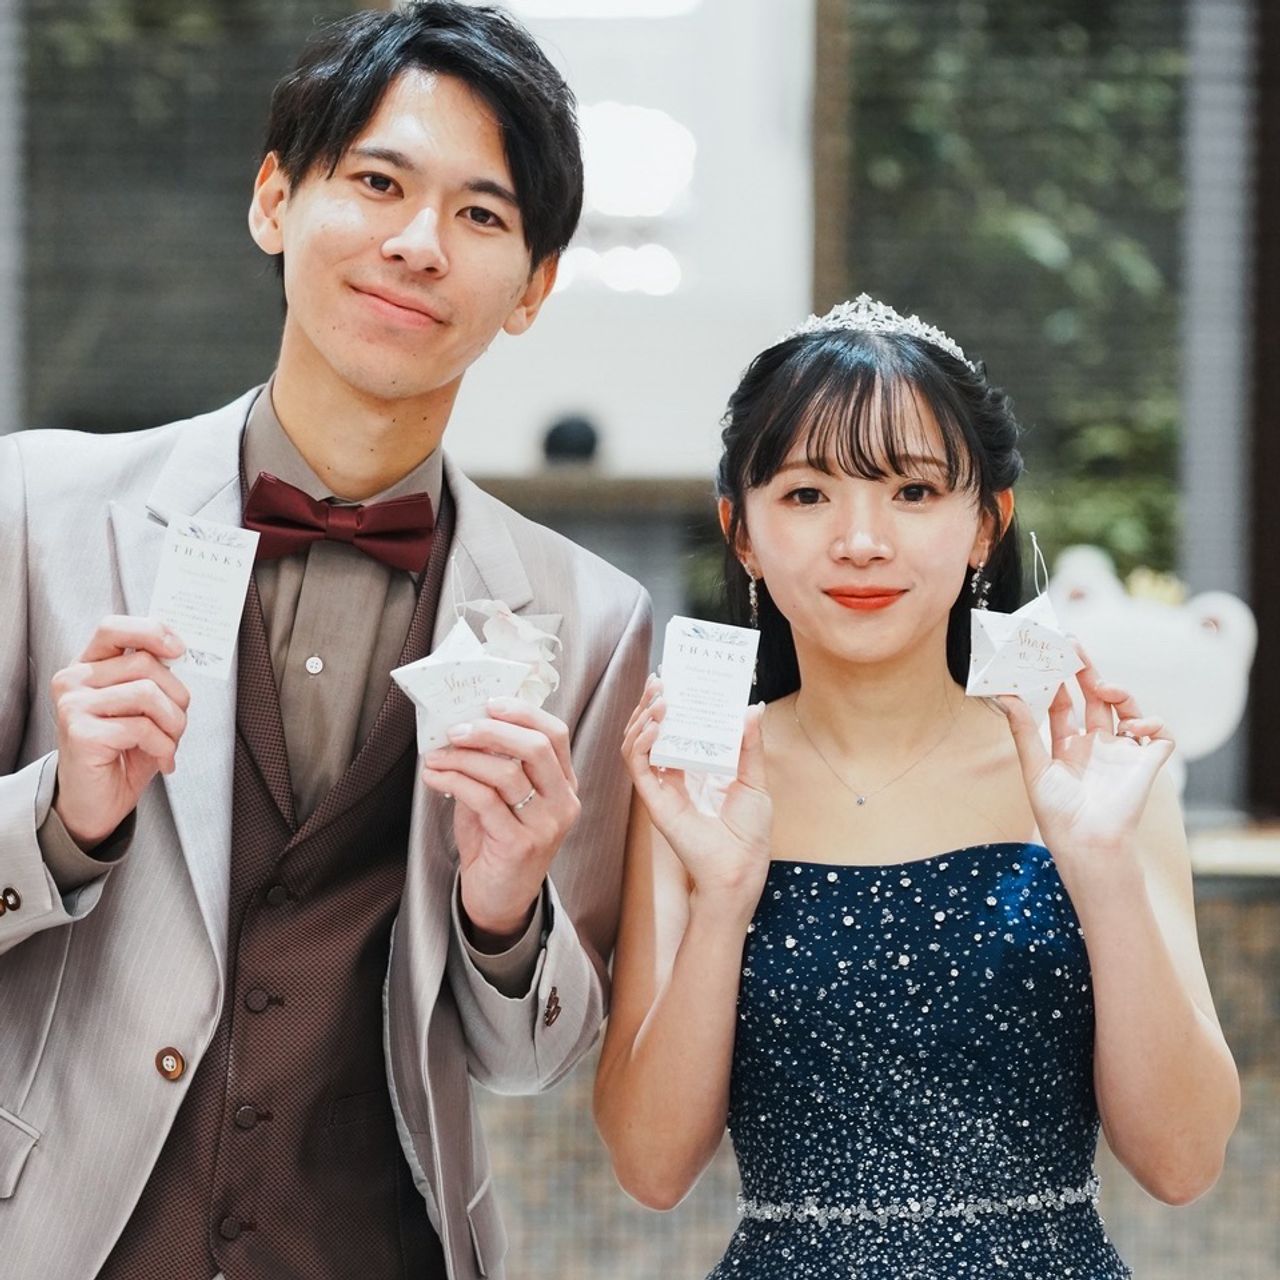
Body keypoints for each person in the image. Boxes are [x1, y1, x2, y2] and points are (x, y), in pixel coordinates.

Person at [0, 5, 650, 1279]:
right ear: (273, 201)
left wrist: (505, 909)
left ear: (532, 287)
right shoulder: (36, 510)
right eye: (377, 182)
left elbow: (537, 1057)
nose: (417, 243)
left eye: (480, 213)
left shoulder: (590, 618)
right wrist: (60, 820)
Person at [595, 296, 1240, 1278]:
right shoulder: (698, 782)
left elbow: (1183, 1163)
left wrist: (1100, 869)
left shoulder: (1090, 774)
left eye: (911, 490)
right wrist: (723, 899)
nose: (861, 539)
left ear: (986, 523)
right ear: (741, 531)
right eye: (806, 494)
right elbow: (648, 1167)